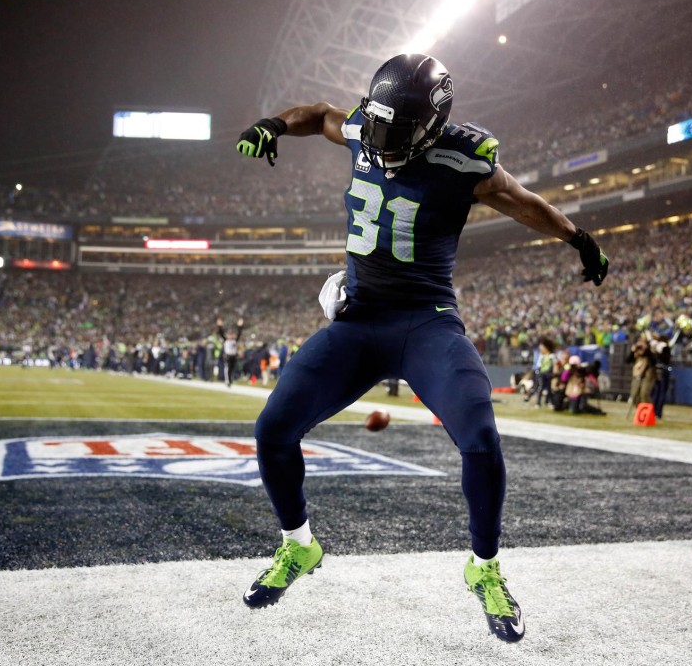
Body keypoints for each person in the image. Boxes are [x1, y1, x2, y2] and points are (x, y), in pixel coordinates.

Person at [235, 52, 608, 643]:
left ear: (431, 125)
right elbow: (320, 114)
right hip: (358, 323)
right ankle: (298, 547)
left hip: (427, 324)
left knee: (480, 441)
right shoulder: (365, 125)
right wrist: (275, 124)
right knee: (272, 429)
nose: (377, 140)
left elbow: (523, 202)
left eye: (392, 131)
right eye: (374, 126)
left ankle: (484, 568)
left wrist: (578, 238)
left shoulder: (463, 160)